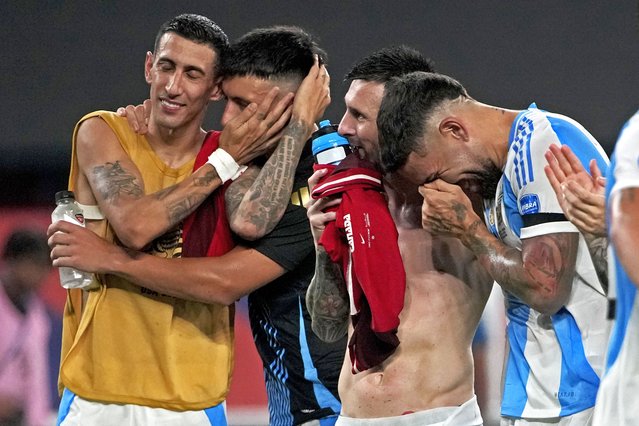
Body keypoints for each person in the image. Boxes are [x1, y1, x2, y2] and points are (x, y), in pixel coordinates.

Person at [50, 26, 343, 426]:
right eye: (167, 67)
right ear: (149, 67)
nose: (173, 86)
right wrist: (224, 160)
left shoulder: (248, 161)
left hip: (195, 399)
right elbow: (135, 226)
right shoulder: (105, 130)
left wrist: (112, 259)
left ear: (214, 88)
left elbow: (247, 225)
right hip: (98, 392)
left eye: (193, 74)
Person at [376, 71, 610, 424]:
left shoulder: (541, 144)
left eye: (434, 175)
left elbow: (546, 288)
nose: (440, 188)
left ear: (454, 130)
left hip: (587, 388)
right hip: (534, 390)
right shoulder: (497, 173)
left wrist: (468, 229)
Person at [305, 46, 493, 425]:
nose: (343, 127)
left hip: (440, 417)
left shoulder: (473, 199)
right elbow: (327, 328)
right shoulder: (354, 202)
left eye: (359, 115)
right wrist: (324, 247)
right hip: (353, 417)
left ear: (401, 119)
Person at [0, 229, 53, 426]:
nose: (40, 274)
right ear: (12, 259)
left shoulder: (38, 318)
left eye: (45, 267)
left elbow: (37, 381)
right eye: (34, 264)